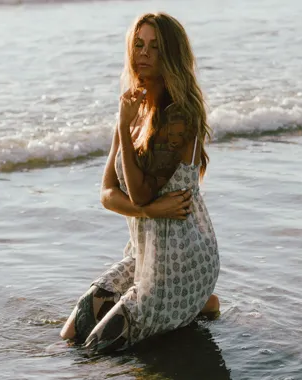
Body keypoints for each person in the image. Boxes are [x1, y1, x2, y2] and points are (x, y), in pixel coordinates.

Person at [59, 12, 220, 353]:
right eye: (138, 44)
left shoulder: (180, 115)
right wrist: (151, 211)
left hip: (178, 263)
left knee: (94, 350)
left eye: (155, 47)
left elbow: (138, 192)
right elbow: (107, 195)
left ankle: (193, 298)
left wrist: (146, 202)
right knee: (73, 331)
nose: (143, 53)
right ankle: (200, 305)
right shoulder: (132, 112)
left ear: (170, 55)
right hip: (143, 257)